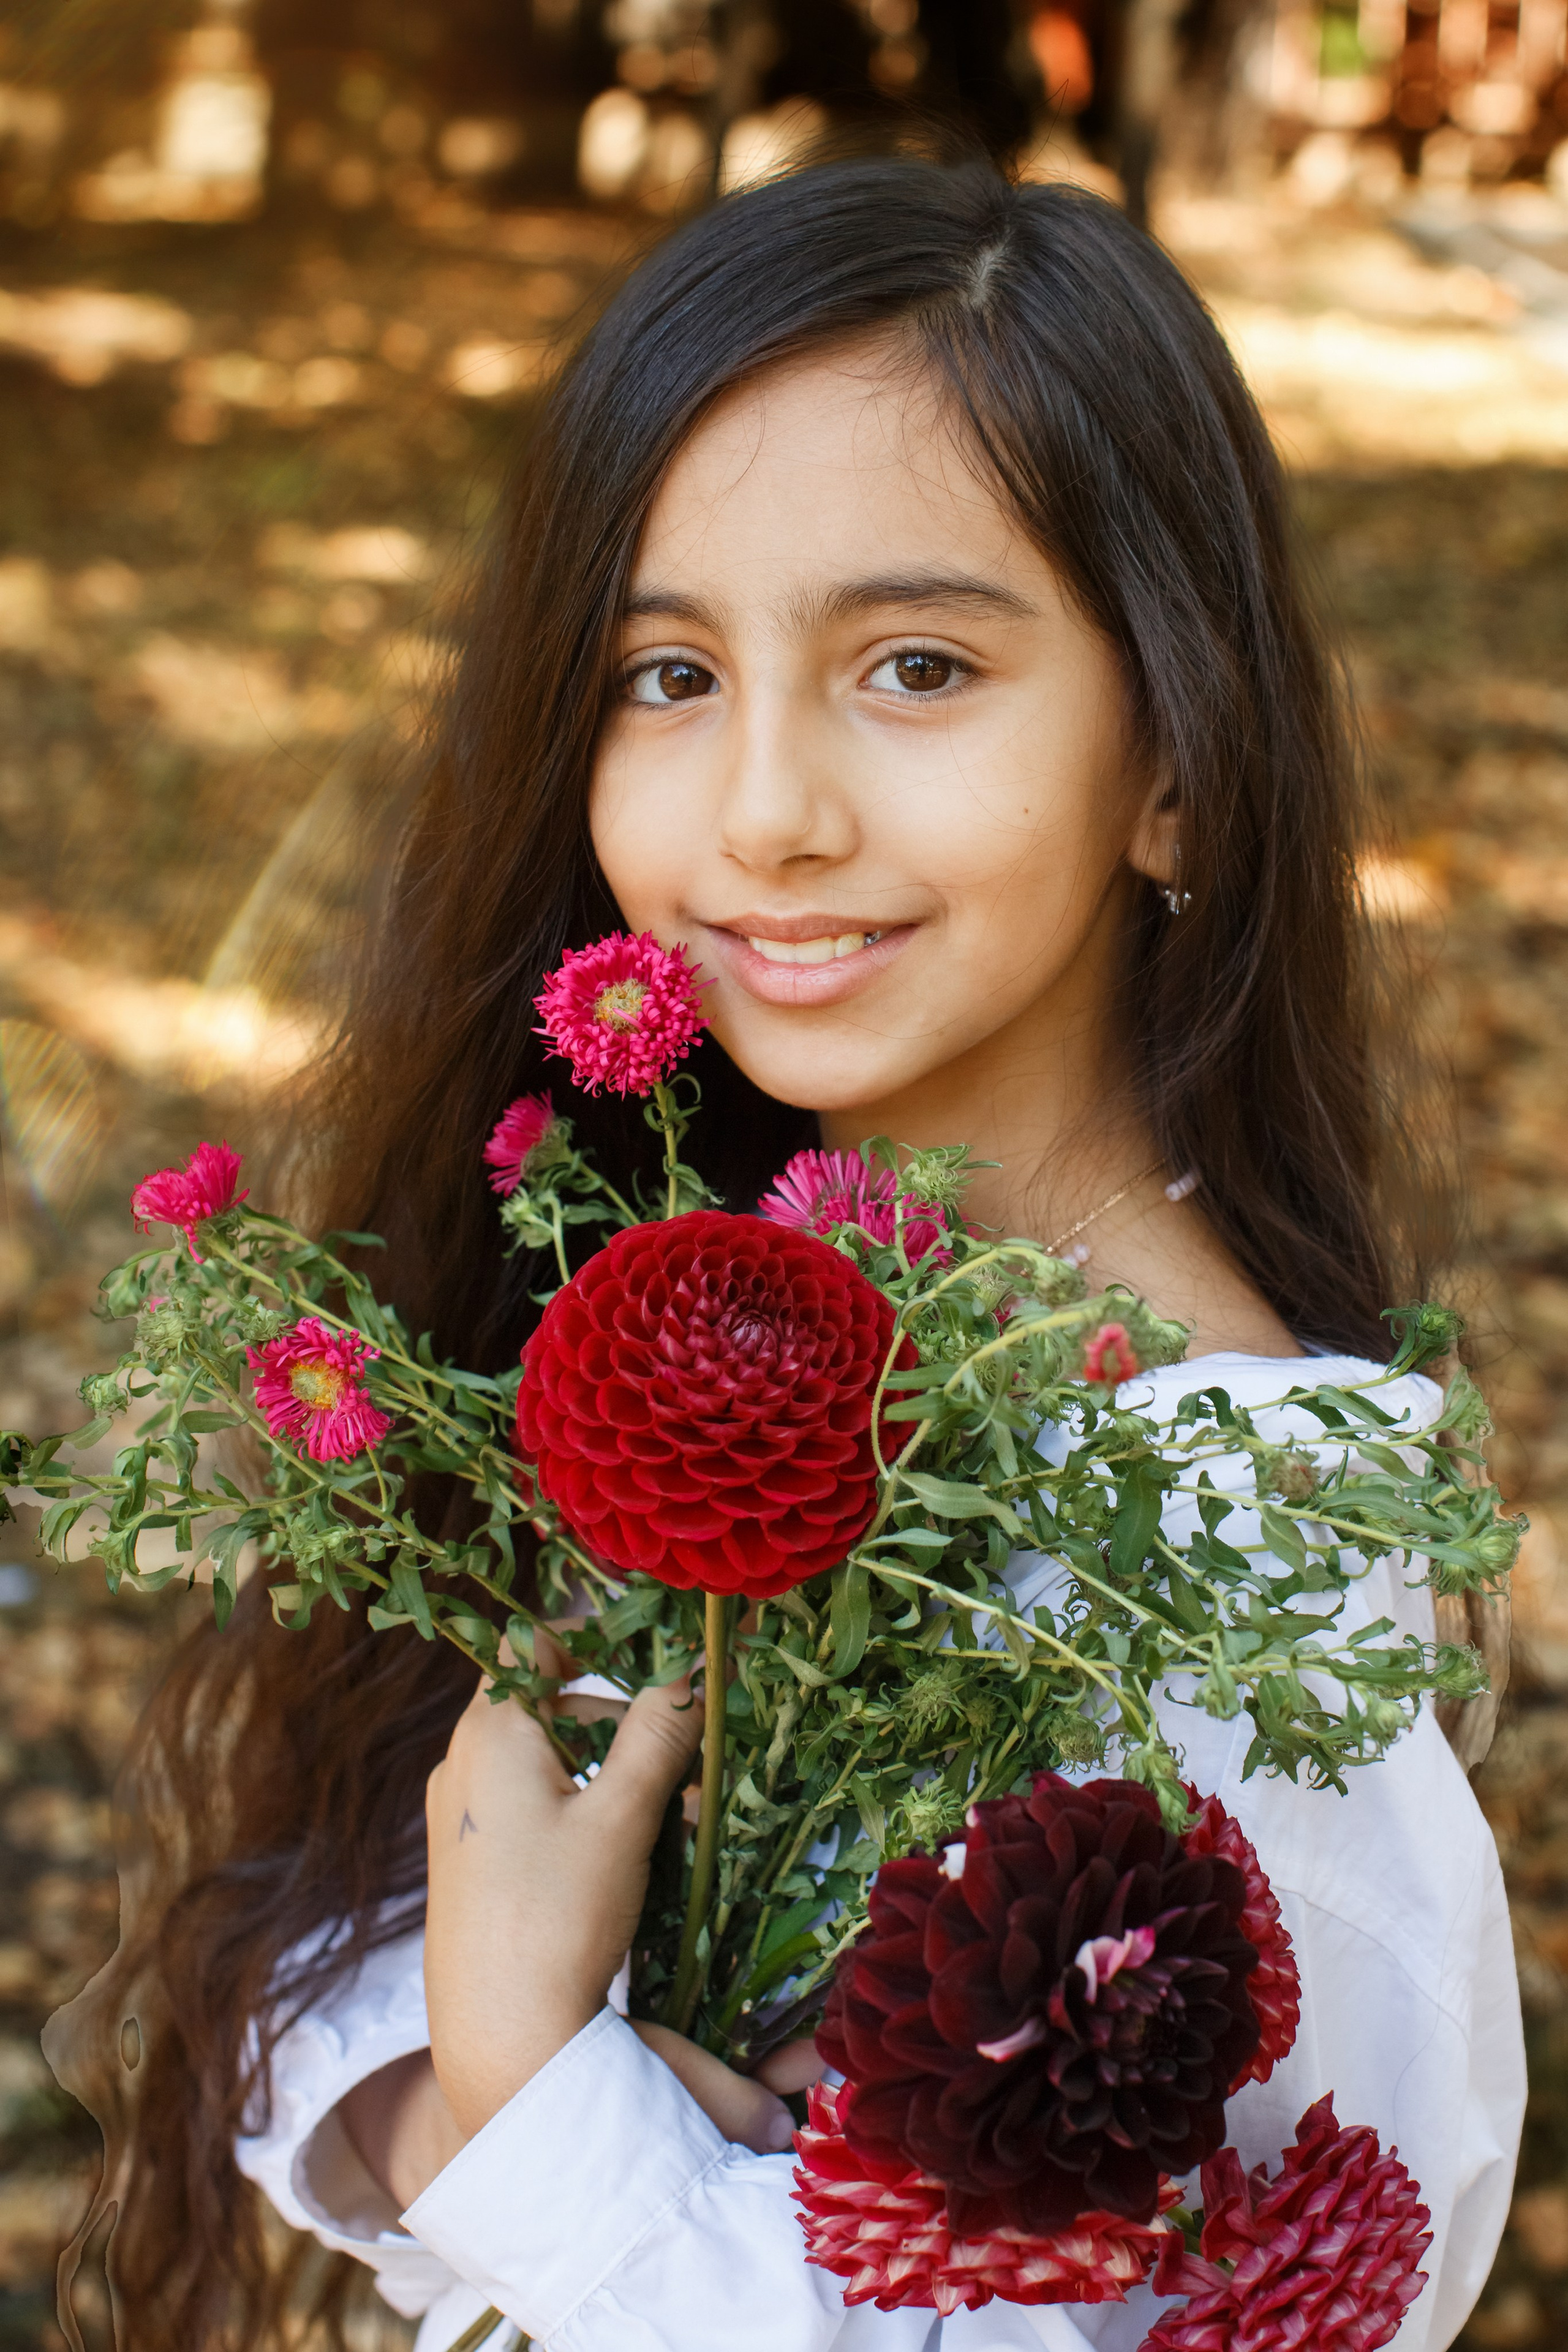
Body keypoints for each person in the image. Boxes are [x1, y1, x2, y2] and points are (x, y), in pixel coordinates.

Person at [67, 158, 1521, 2350]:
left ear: (1179, 764)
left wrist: (542, 2111)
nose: (763, 811)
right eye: (666, 672)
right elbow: (348, 1930)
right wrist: (483, 2106)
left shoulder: (1255, 1570)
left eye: (915, 666)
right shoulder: (687, 1319)